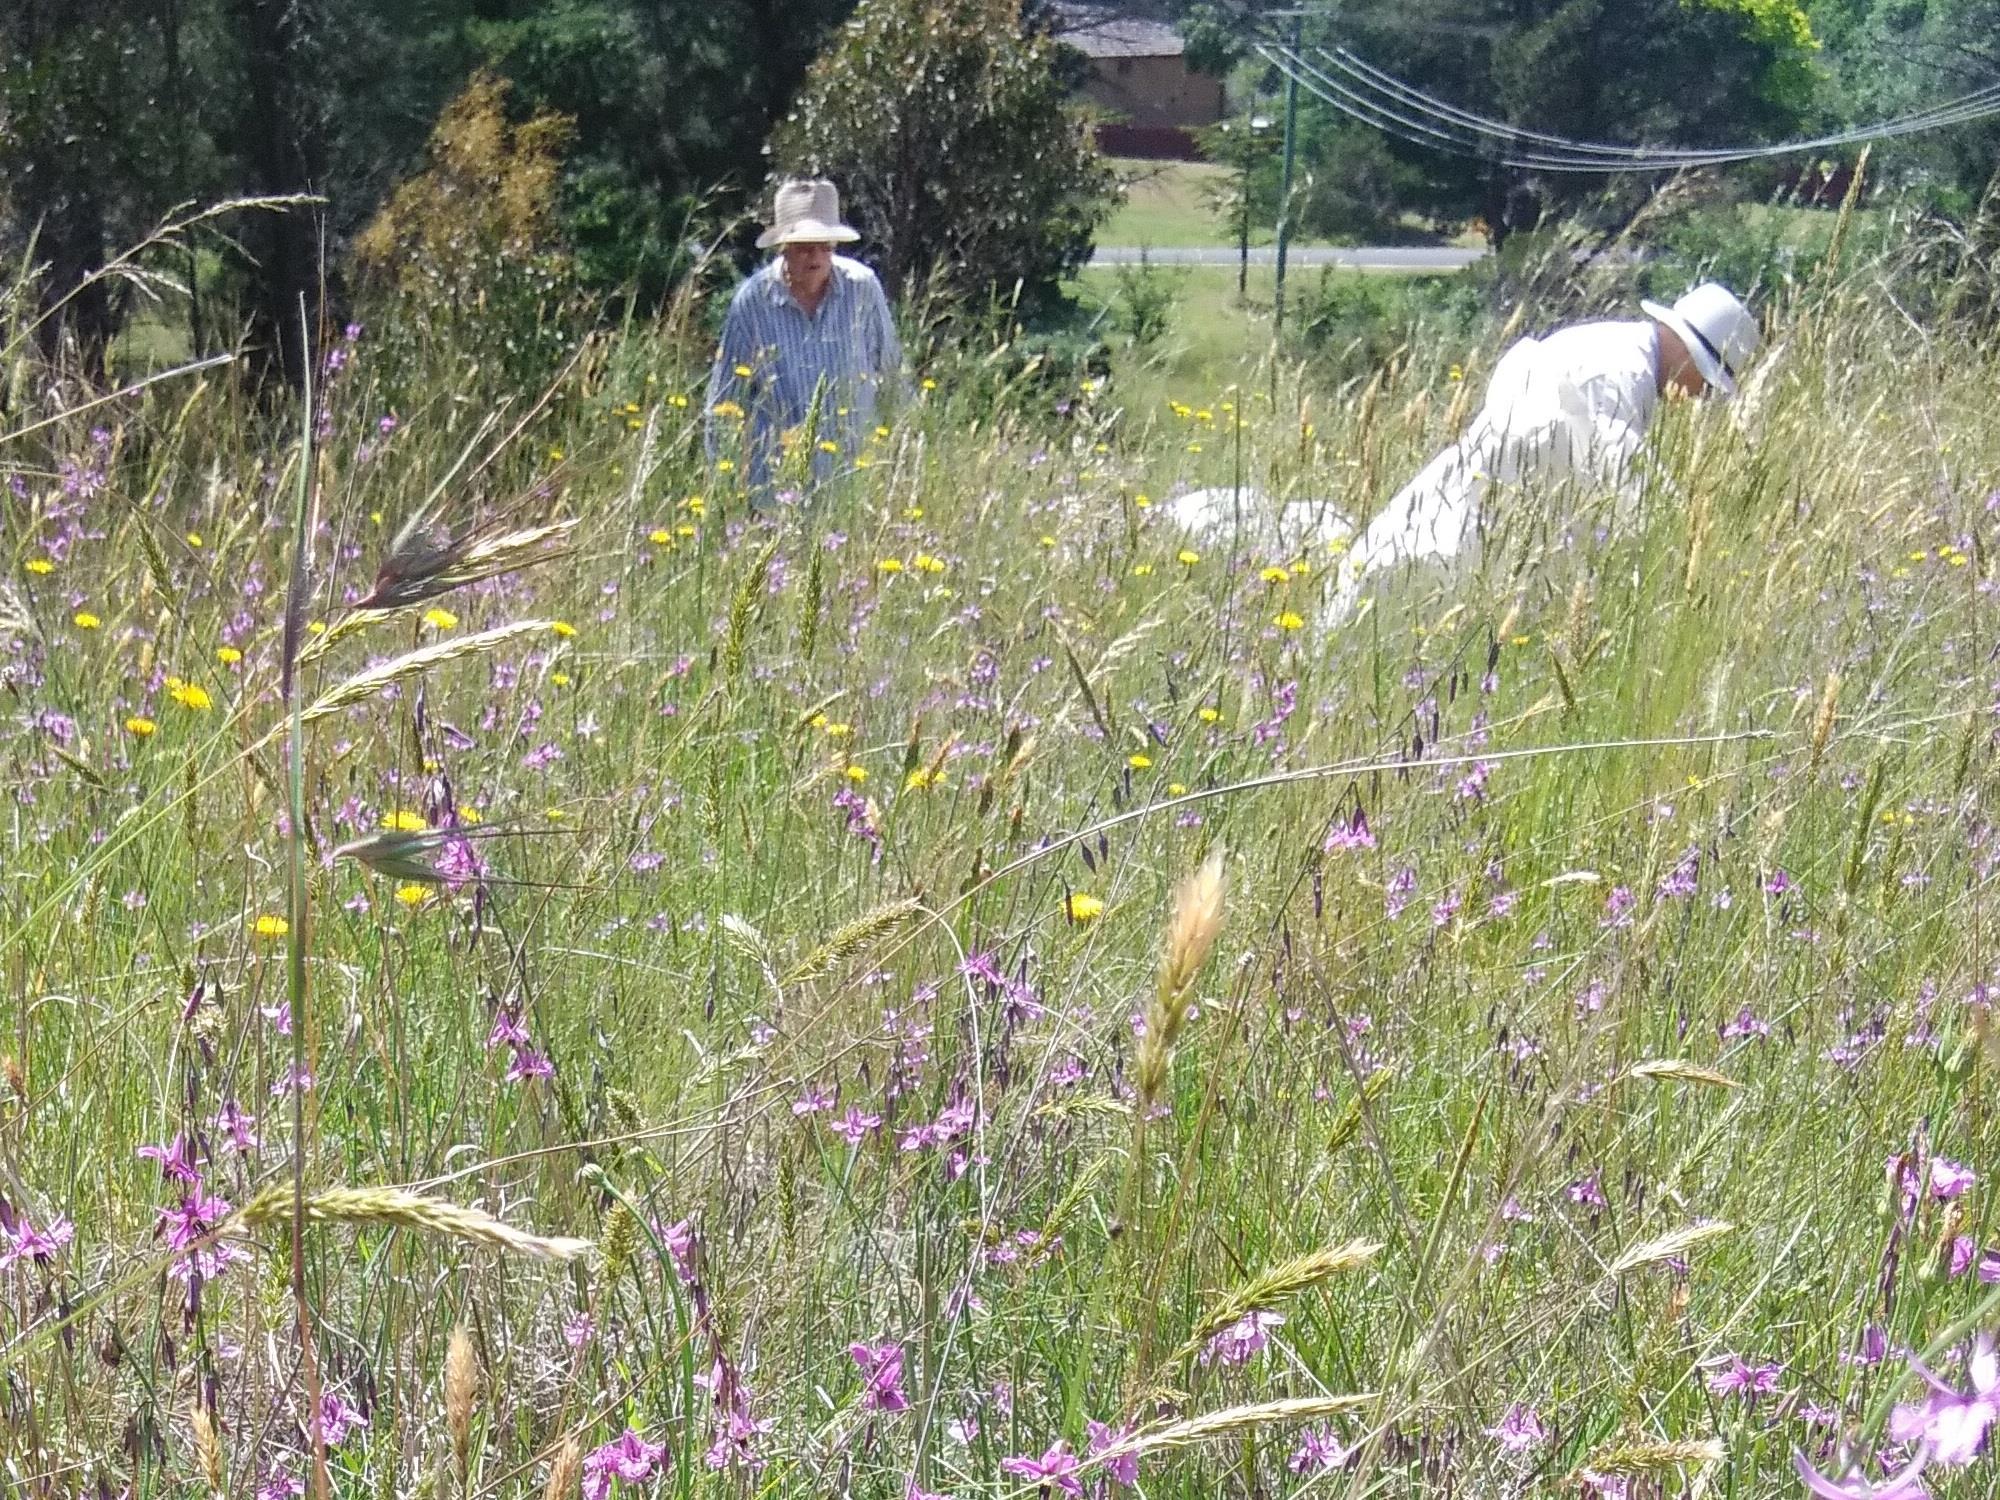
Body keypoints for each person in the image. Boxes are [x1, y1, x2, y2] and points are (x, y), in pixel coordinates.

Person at [1323, 281, 1761, 619]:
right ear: (1688, 354)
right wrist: (1688, 541)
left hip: (1503, 512)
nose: (1703, 396)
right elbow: (1628, 481)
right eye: (1708, 383)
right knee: (1413, 587)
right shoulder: (1618, 374)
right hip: (1487, 511)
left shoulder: (1622, 352)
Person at [704, 179, 903, 496]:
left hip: (855, 482)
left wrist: (903, 465)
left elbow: (893, 376)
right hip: (776, 486)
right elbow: (724, 401)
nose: (816, 257)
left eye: (825, 245)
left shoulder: (863, 288)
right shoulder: (753, 302)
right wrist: (724, 488)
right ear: (783, 249)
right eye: (804, 246)